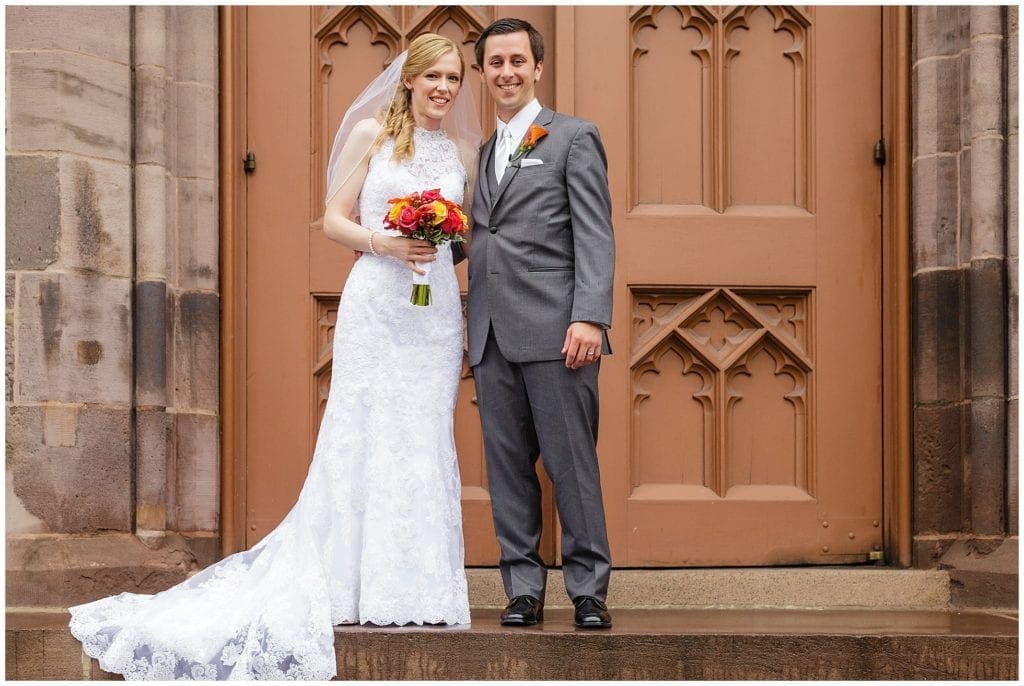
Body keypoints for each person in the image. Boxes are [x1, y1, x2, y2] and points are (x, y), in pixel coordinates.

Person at [68, 34, 481, 680]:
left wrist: (441, 250)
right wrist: (385, 243)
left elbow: (464, 233)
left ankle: (421, 590)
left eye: (454, 78)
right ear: (409, 79)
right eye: (434, 76)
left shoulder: (458, 152)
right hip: (378, 303)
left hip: (431, 317)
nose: (444, 88)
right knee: (364, 433)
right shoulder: (372, 133)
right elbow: (333, 218)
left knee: (424, 437)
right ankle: (355, 584)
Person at [465, 18, 615, 629]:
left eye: (517, 61)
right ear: (482, 72)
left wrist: (588, 316)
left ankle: (588, 590)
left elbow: (595, 234)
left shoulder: (572, 137)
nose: (506, 72)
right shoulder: (479, 155)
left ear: (537, 67)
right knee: (506, 468)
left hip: (558, 331)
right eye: (495, 62)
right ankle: (522, 586)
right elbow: (479, 235)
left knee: (571, 462)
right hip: (491, 334)